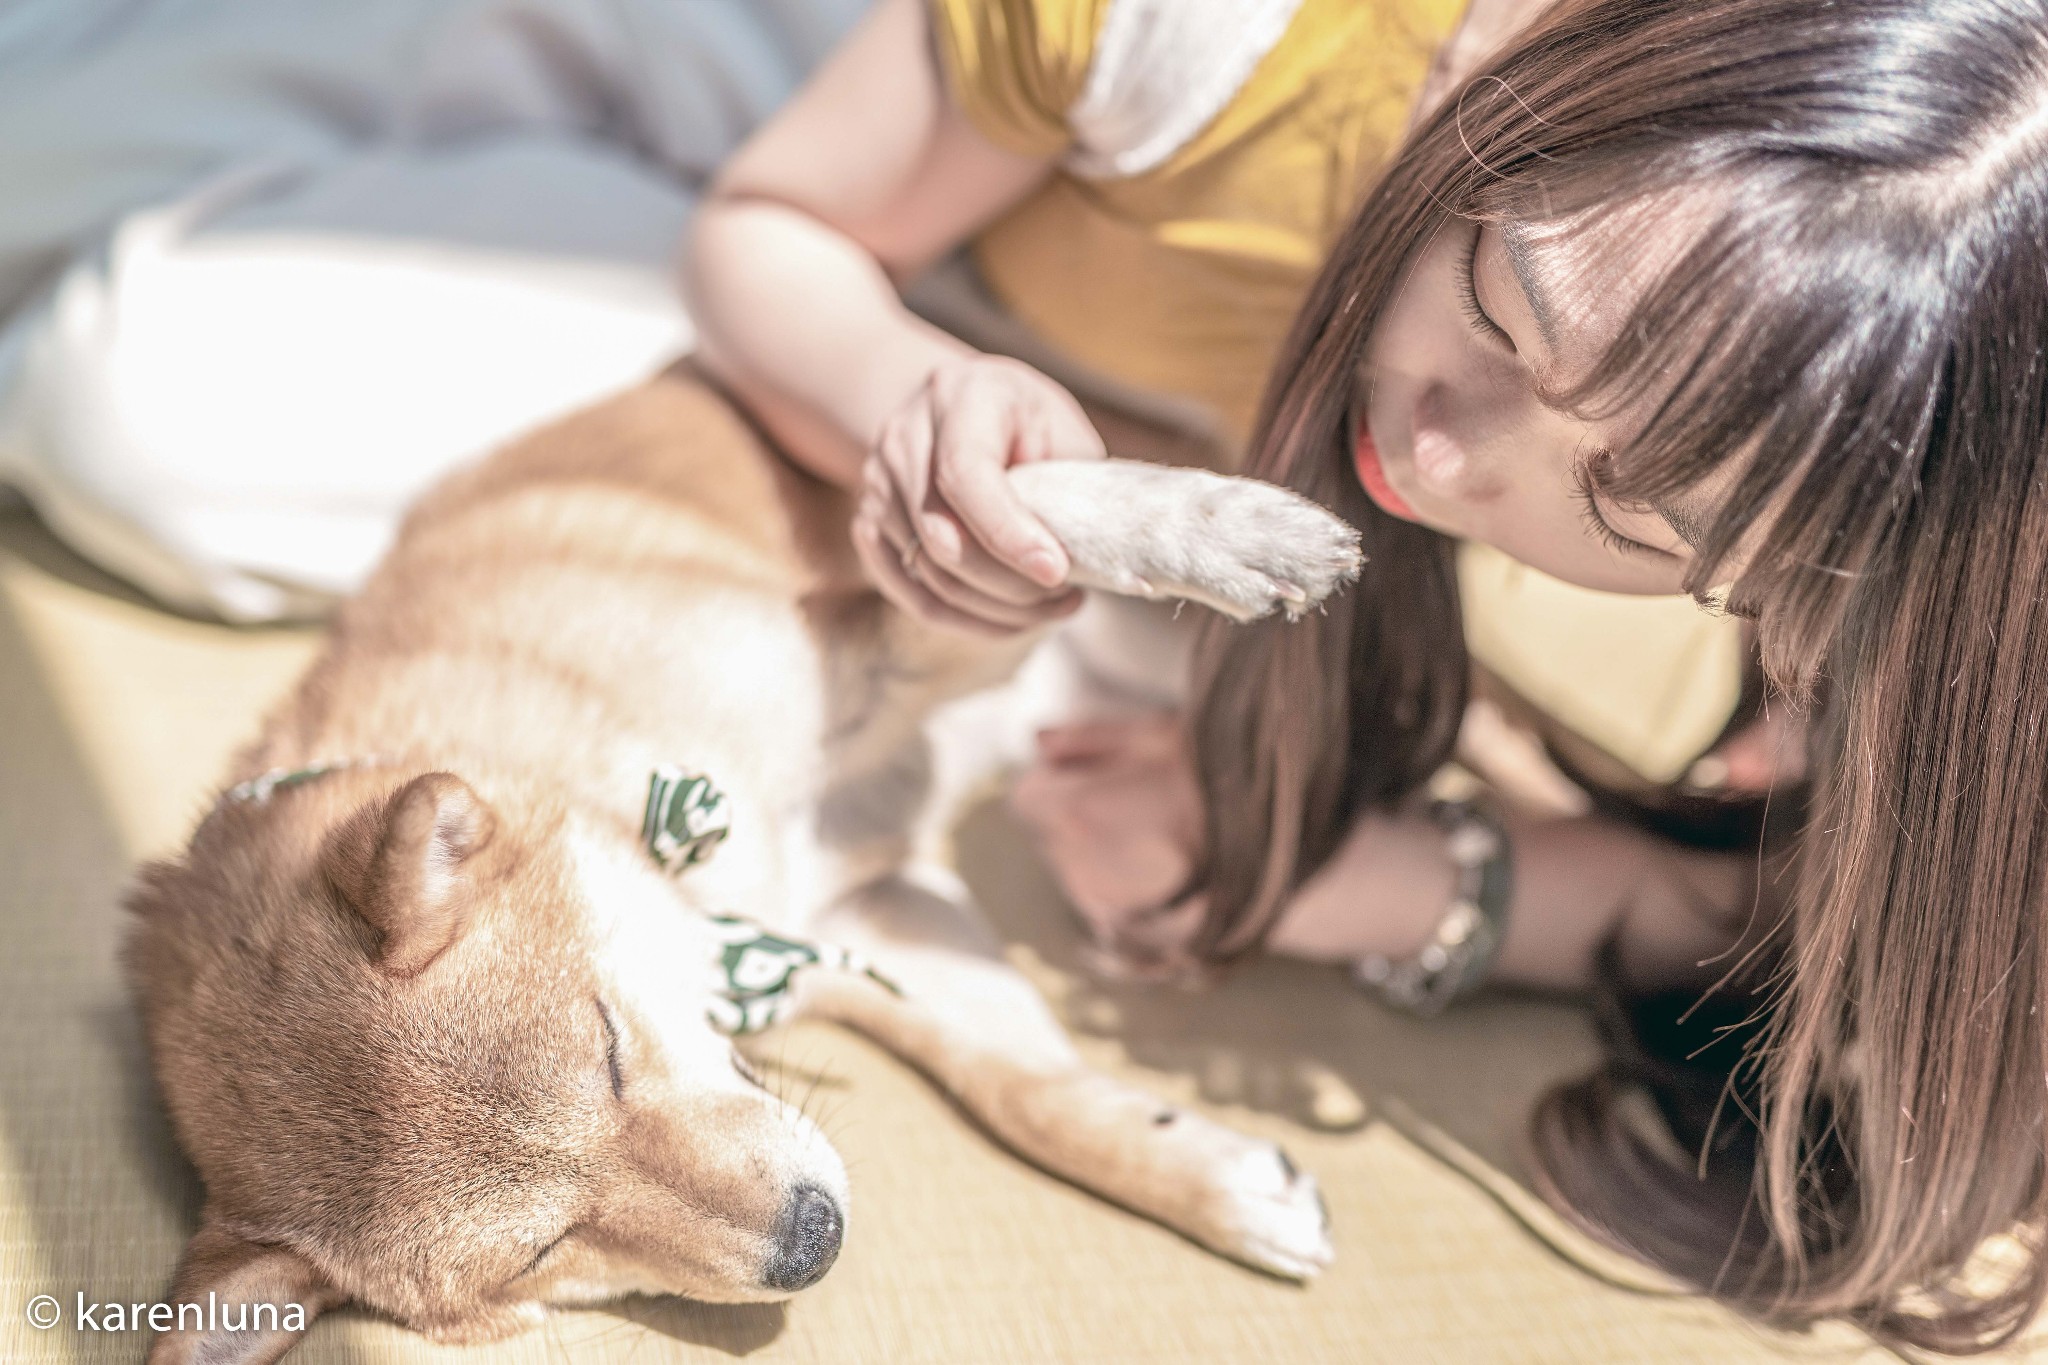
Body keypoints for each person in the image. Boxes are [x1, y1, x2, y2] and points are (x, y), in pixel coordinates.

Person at [688, 0, 2048, 1351]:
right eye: (1502, 311)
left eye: (1642, 514)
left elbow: (1932, 939)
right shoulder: (1195, 35)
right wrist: (906, 396)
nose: (1447, 460)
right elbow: (764, 227)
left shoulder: (1894, 477)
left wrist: (1419, 883)